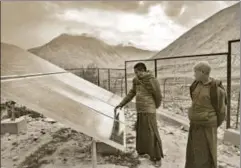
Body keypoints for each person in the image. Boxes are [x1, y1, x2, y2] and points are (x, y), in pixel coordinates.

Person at [115, 62, 164, 166]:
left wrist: (155, 106)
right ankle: (143, 151)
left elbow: (158, 95)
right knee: (141, 132)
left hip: (149, 110)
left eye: (138, 72)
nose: (136, 74)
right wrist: (121, 104)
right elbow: (132, 93)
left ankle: (157, 157)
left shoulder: (152, 79)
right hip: (140, 110)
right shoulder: (136, 80)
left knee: (152, 133)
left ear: (143, 70)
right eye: (135, 73)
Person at [185, 61, 227, 168]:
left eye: (196, 72)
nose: (194, 74)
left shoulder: (216, 90)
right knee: (193, 151)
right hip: (195, 124)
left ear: (203, 72)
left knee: (206, 152)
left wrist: (211, 122)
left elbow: (222, 112)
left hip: (207, 126)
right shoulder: (194, 85)